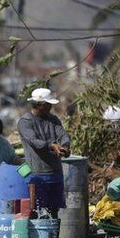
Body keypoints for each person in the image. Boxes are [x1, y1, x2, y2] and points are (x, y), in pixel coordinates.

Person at [17, 88, 71, 219]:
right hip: (37, 174)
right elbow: (34, 142)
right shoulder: (25, 122)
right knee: (36, 211)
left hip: (56, 173)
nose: (51, 106)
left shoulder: (53, 119)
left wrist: (65, 146)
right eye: (48, 103)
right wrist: (52, 145)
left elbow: (63, 135)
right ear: (40, 105)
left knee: (54, 211)